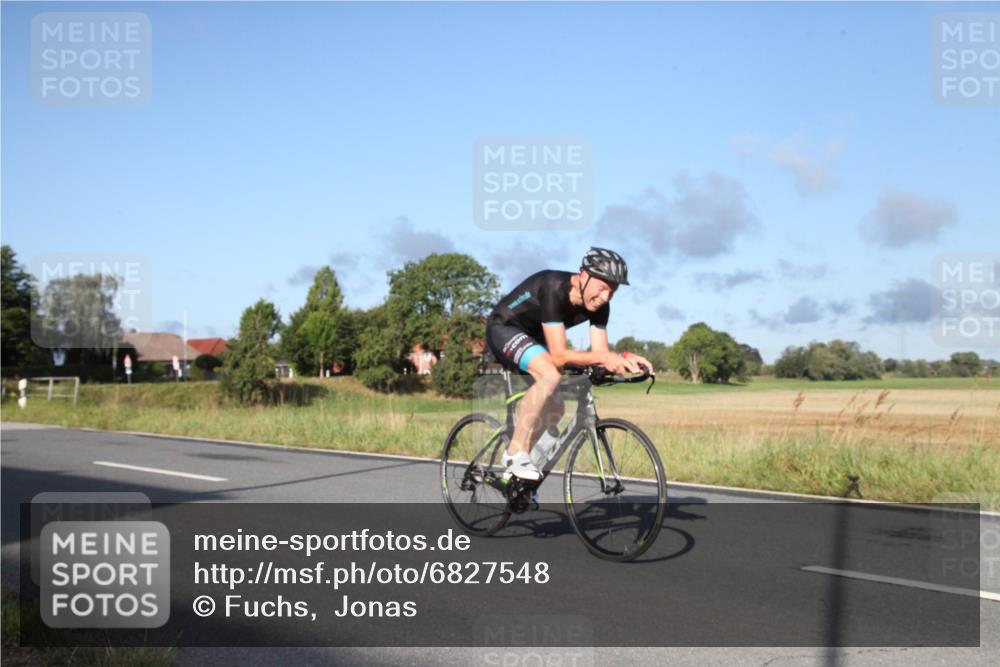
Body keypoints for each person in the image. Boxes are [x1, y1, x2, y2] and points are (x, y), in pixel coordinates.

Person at [486, 247, 654, 482]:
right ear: (583, 276)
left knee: (556, 409)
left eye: (612, 291)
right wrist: (606, 358)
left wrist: (625, 359)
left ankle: (518, 475)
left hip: (536, 337)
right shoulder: (553, 287)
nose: (606, 297)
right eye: (603, 287)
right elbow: (559, 356)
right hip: (505, 328)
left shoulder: (601, 306)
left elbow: (600, 355)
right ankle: (515, 454)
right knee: (550, 373)